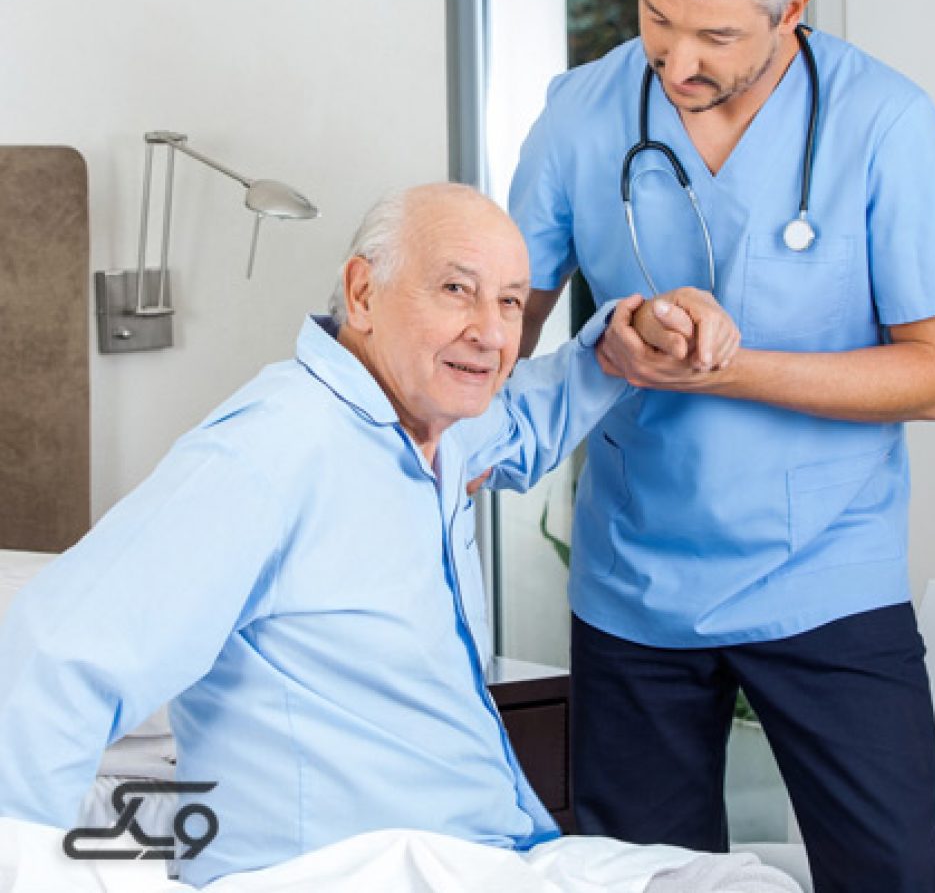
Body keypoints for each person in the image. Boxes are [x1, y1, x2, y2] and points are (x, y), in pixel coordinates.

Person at [0, 183, 753, 890]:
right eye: (456, 288)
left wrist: (623, 347)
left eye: (510, 301)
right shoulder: (269, 452)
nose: (492, 332)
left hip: (484, 855)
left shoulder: (432, 425)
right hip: (347, 871)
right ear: (362, 293)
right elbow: (54, 661)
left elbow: (524, 419)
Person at [507, 0, 935, 893]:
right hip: (635, 582)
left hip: (829, 572)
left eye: (717, 36)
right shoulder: (581, 115)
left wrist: (728, 372)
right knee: (644, 883)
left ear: (793, 11)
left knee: (895, 874)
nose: (676, 59)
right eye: (656, 17)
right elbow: (503, 328)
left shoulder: (883, 123)